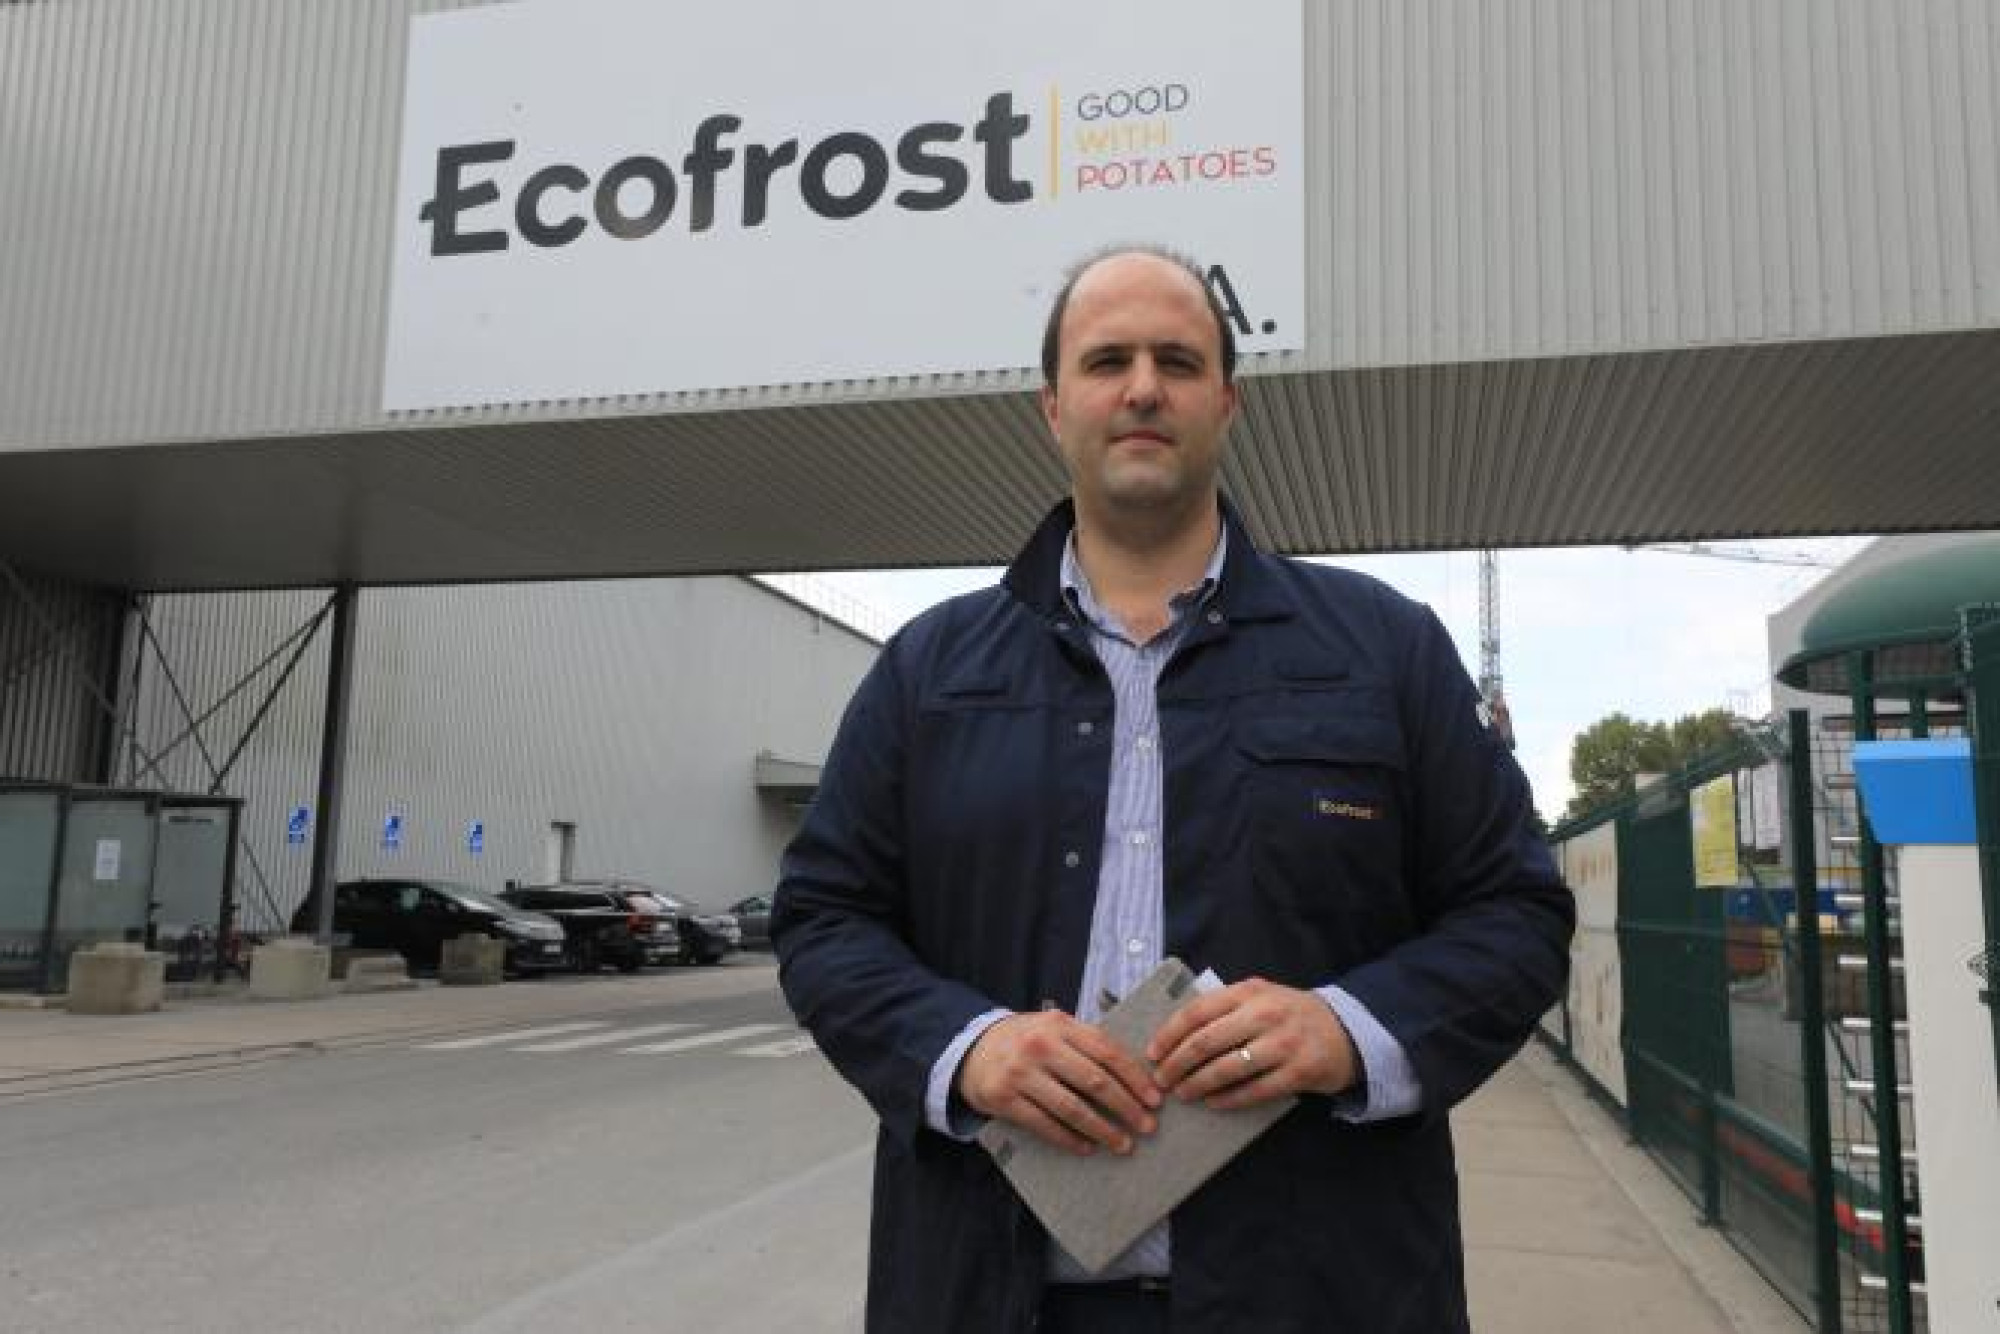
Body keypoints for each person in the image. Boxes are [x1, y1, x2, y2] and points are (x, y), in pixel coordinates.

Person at [772, 246, 1573, 1334]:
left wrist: (1349, 1029)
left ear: (1226, 403)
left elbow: (1515, 913)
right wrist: (966, 1048)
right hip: (989, 1296)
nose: (1143, 387)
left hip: (1319, 1297)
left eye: (1178, 361)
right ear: (1053, 407)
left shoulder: (1385, 650)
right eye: (1108, 361)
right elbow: (824, 917)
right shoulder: (929, 670)